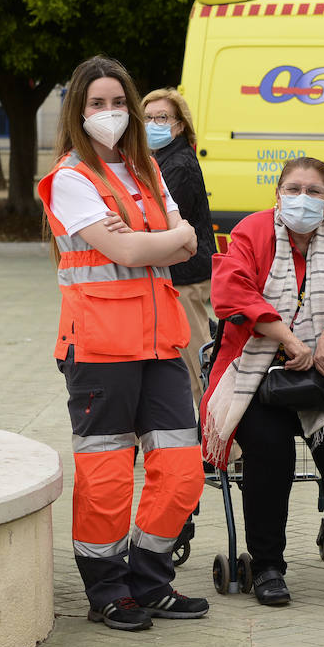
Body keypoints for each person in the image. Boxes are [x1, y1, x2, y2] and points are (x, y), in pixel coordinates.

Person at [37, 55, 209, 632]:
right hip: (99, 348)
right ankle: (108, 589)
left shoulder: (147, 172)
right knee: (107, 477)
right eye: (96, 104)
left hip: (161, 344)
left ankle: (149, 578)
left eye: (117, 103)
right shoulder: (70, 178)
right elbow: (136, 253)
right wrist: (165, 237)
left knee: (183, 469)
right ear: (77, 113)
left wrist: (159, 238)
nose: (108, 113)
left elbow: (188, 243)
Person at [200, 157, 324, 607]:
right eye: (292, 189)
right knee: (268, 453)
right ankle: (267, 565)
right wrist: (287, 338)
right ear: (277, 193)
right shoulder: (251, 233)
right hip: (261, 375)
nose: (301, 199)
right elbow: (231, 291)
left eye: (312, 191)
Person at [142, 87, 216, 408]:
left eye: (162, 117)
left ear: (180, 124)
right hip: (175, 271)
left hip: (186, 275)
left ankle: (226, 447)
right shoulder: (160, 159)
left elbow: (163, 220)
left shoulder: (179, 165)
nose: (154, 123)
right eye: (147, 117)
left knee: (199, 361)